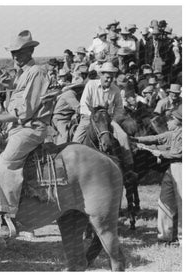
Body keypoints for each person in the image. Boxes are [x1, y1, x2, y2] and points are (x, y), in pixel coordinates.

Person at [0, 30, 51, 238]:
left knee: (4, 164)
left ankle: (8, 218)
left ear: (30, 50)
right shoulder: (22, 73)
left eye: (19, 52)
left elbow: (25, 111)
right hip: (19, 127)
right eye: (13, 52)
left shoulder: (36, 72)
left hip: (31, 128)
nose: (15, 56)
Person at [131, 105, 182, 246]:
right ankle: (165, 237)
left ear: (179, 121)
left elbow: (179, 153)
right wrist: (136, 140)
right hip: (172, 168)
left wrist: (160, 153)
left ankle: (182, 238)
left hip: (182, 168)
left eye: (172, 119)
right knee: (165, 201)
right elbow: (156, 138)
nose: (167, 122)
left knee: (182, 203)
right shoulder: (173, 133)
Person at [72, 62, 134, 171]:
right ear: (101, 75)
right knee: (76, 140)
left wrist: (113, 120)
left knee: (123, 136)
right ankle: (73, 166)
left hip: (107, 119)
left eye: (111, 77)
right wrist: (92, 116)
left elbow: (119, 108)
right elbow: (83, 103)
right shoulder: (91, 85)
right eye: (107, 77)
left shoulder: (115, 90)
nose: (109, 80)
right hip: (90, 117)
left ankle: (129, 167)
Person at [52, 78, 85, 144]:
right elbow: (78, 108)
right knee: (64, 135)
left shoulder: (74, 95)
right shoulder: (69, 94)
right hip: (60, 119)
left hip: (67, 118)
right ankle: (60, 150)